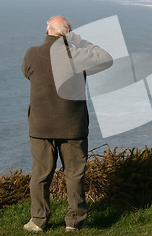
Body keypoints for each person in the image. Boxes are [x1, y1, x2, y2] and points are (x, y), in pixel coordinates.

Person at [22, 16, 113, 232]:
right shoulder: (77, 54)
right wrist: (79, 42)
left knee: (40, 175)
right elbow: (106, 59)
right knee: (74, 174)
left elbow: (27, 74)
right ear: (68, 33)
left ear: (47, 31)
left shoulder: (32, 54)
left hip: (40, 126)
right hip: (73, 127)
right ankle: (74, 222)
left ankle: (38, 220)